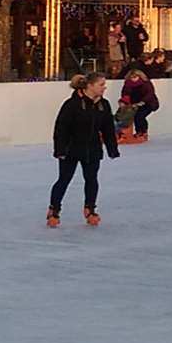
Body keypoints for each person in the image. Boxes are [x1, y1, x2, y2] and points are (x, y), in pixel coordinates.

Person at [49, 73, 120, 228]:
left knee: (91, 179)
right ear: (90, 86)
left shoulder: (103, 105)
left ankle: (90, 208)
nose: (104, 88)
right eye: (101, 84)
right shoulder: (72, 104)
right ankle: (54, 209)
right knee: (64, 179)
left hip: (92, 148)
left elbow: (108, 128)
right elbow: (61, 128)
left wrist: (112, 149)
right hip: (71, 149)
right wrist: (60, 150)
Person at [120, 68, 158, 137]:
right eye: (131, 77)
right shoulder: (127, 84)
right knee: (134, 116)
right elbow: (125, 94)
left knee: (140, 116)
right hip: (135, 104)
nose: (133, 79)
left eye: (135, 77)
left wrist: (143, 101)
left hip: (148, 103)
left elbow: (150, 94)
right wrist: (123, 101)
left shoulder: (146, 83)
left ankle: (143, 131)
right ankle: (138, 131)